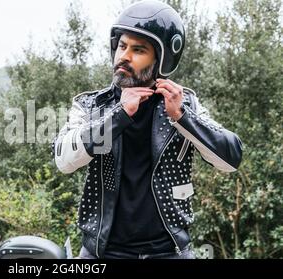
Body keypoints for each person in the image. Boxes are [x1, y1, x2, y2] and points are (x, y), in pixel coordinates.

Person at [52, 0, 243, 259]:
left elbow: (230, 159)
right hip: (102, 252)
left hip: (170, 252)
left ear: (161, 59)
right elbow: (63, 159)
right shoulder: (91, 105)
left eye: (138, 49)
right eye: (121, 46)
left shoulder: (184, 104)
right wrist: (119, 116)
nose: (124, 56)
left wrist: (182, 117)